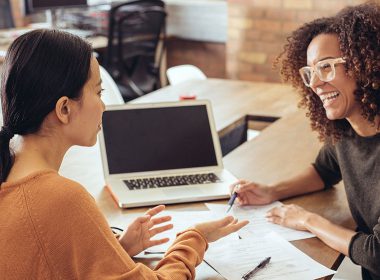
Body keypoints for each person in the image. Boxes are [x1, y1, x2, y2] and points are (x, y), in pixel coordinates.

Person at [0, 29, 248, 279]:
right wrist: (194, 239)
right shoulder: (60, 198)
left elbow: (46, 257)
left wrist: (117, 247)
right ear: (64, 108)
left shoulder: (11, 172)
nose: (104, 106)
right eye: (98, 93)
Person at [231, 3, 380, 280]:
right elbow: (324, 171)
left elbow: (376, 253)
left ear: (366, 66)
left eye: (326, 67)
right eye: (310, 72)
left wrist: (308, 220)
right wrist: (271, 191)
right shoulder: (347, 132)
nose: (314, 84)